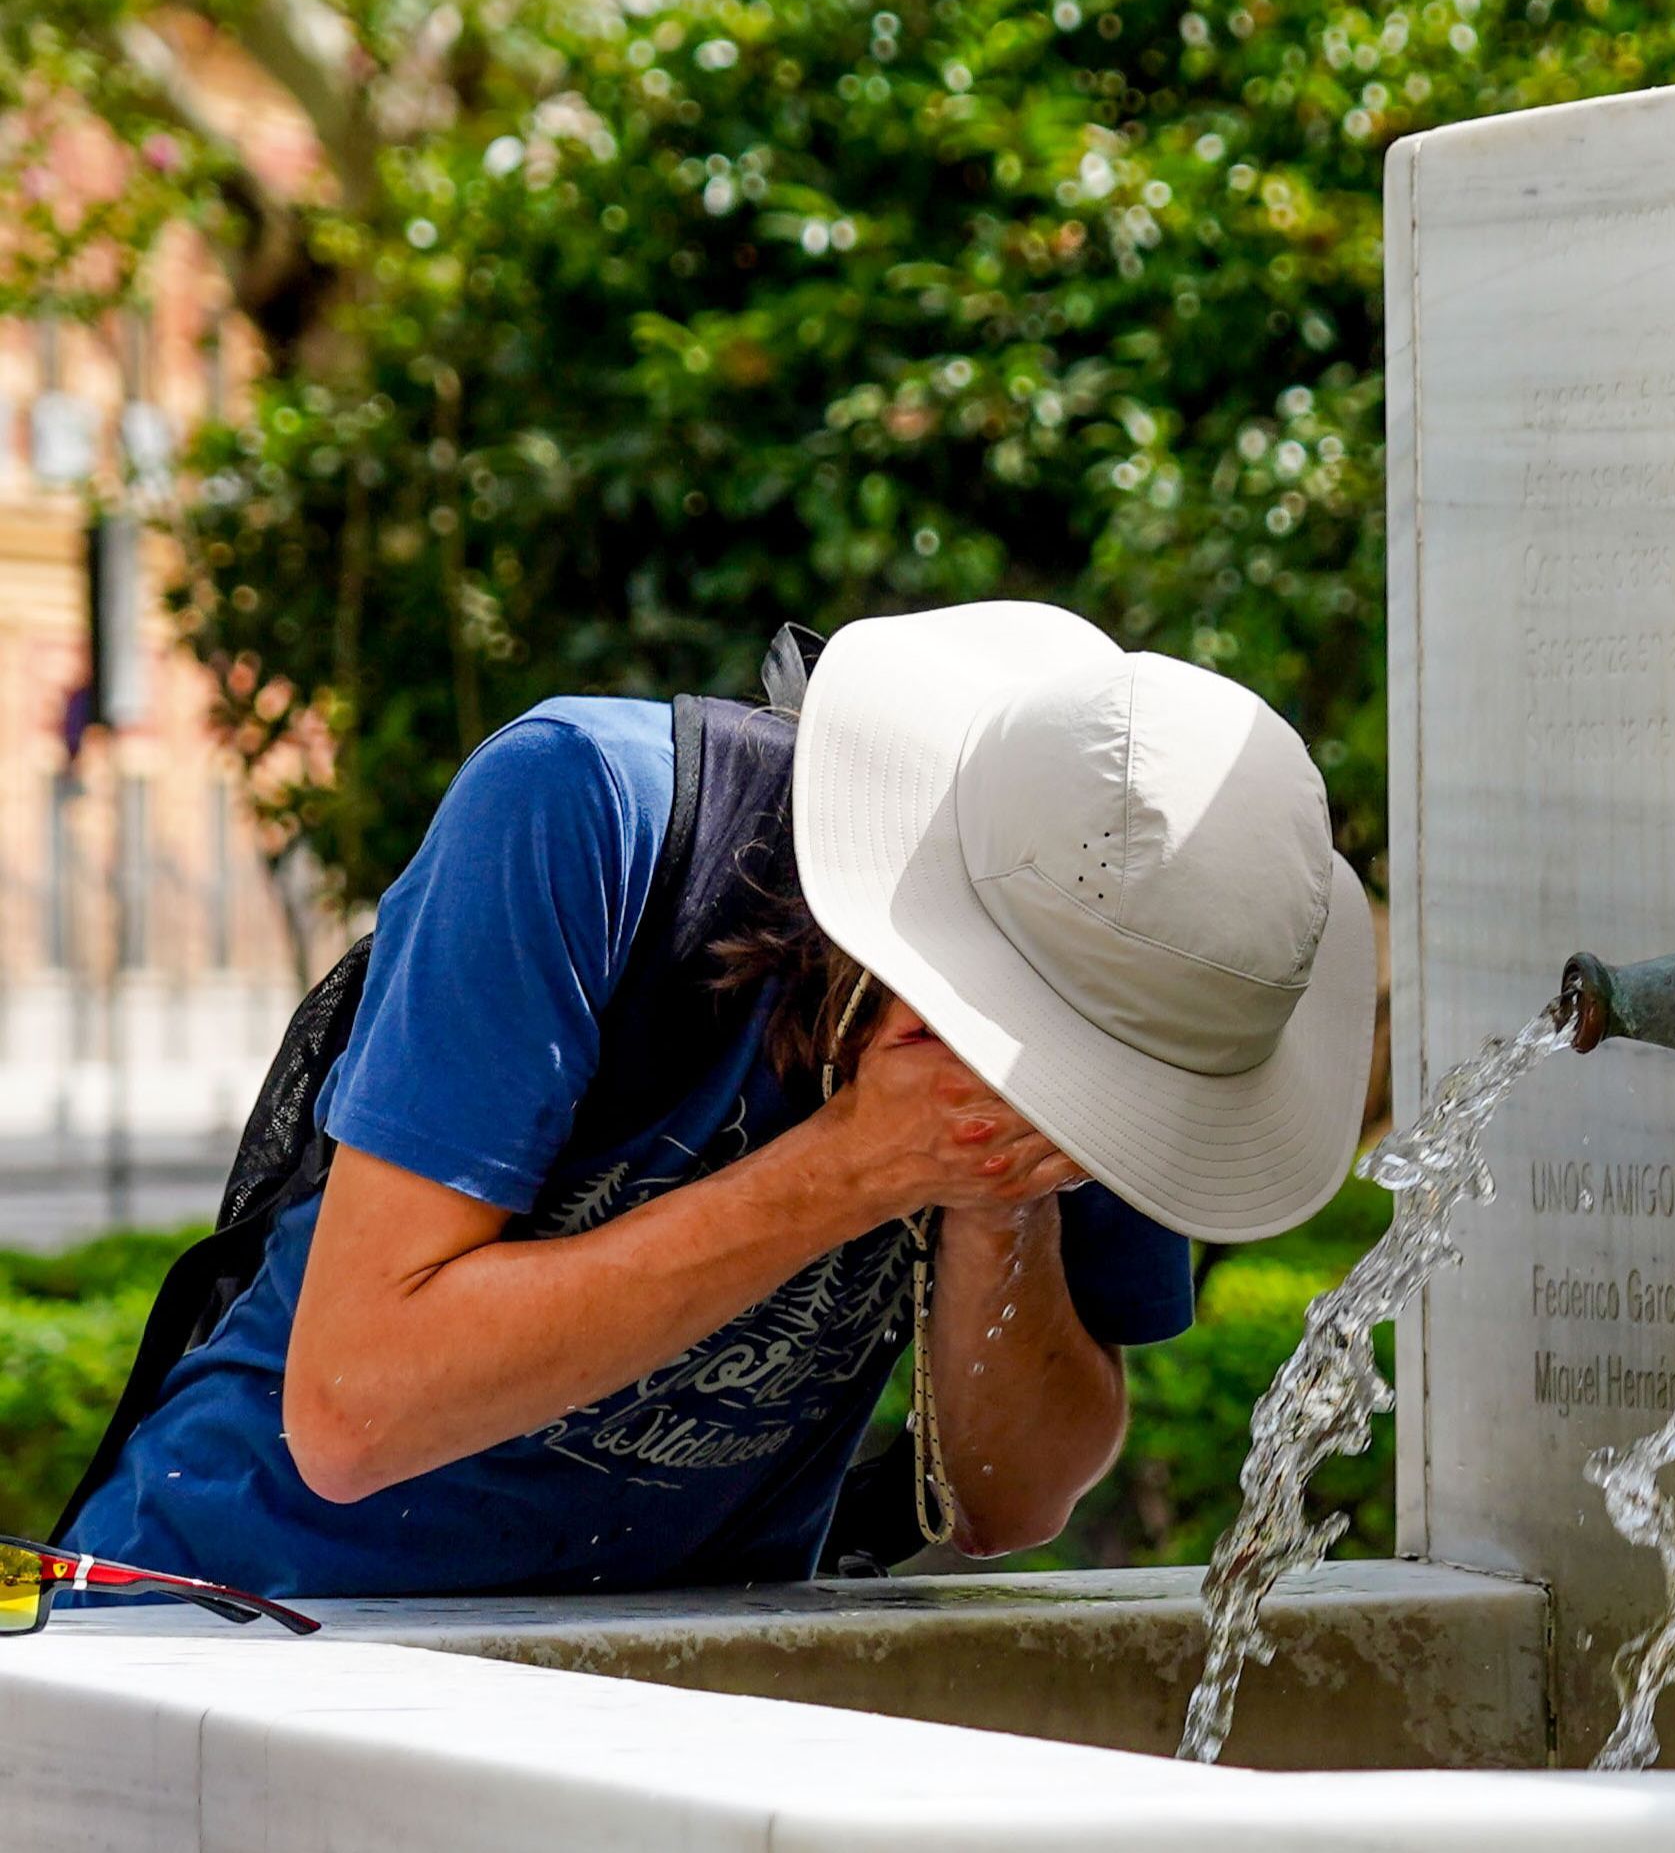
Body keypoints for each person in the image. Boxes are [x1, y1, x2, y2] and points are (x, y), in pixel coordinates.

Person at [60, 602, 1376, 1598]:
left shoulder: (1138, 969)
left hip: (651, 1685)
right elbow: (357, 1412)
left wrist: (996, 1203)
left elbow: (1012, 1500)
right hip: (237, 1623)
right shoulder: (589, 811)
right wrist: (851, 1169)